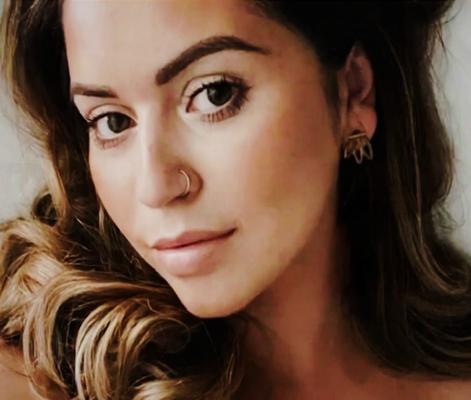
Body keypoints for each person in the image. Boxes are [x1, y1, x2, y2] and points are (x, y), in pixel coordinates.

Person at [1, 0, 471, 399]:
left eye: (214, 94)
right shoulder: (33, 382)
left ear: (352, 89)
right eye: (112, 121)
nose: (155, 187)